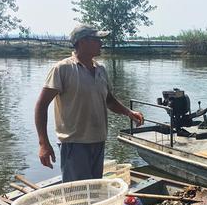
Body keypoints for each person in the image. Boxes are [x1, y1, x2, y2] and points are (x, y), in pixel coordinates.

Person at [34, 24, 144, 182]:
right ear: (83, 42)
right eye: (97, 39)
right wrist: (43, 143)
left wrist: (129, 112)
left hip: (98, 140)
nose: (101, 43)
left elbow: (109, 100)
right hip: (74, 143)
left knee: (94, 190)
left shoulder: (100, 70)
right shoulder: (62, 69)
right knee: (78, 193)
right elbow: (41, 105)